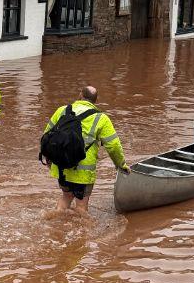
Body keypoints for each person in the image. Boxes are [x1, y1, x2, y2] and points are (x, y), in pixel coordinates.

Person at [41, 86, 129, 215]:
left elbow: (46, 136)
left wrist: (49, 160)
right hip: (84, 172)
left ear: (80, 94)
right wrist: (121, 165)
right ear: (95, 100)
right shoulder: (101, 118)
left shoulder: (62, 110)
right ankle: (82, 234)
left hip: (62, 166)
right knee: (81, 206)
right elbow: (113, 146)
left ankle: (53, 222)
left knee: (66, 197)